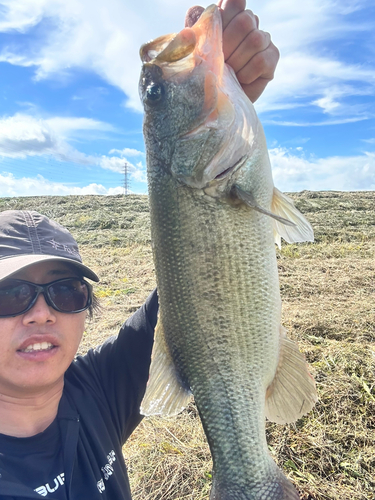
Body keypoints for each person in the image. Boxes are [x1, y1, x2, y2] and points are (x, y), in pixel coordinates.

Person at [0, 2, 279, 499]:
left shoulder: (97, 389)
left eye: (65, 292)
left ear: (85, 307)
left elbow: (198, 290)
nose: (41, 314)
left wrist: (228, 101)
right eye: (10, 295)